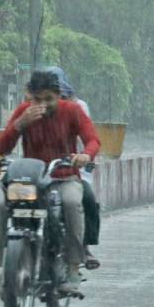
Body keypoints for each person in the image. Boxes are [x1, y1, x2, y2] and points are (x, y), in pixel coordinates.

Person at [0, 70, 101, 294]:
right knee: (3, 206)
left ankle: (73, 266)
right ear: (30, 97)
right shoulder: (23, 112)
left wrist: (85, 155)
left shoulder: (72, 110)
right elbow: (2, 148)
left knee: (71, 203)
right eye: (37, 100)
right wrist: (19, 124)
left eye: (48, 99)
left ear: (58, 95)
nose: (43, 105)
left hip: (64, 177)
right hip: (31, 180)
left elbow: (92, 140)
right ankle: (6, 269)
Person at [46, 66, 101, 270]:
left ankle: (84, 247)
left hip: (71, 169)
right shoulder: (32, 109)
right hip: (41, 172)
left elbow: (89, 139)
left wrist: (85, 156)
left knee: (86, 198)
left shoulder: (78, 108)